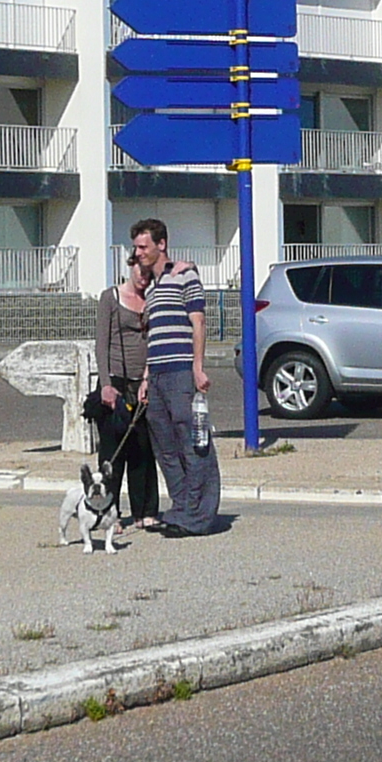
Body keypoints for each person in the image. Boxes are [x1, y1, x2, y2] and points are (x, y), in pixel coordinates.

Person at [129, 218, 219, 535]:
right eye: (136, 247)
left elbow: (199, 323)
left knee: (193, 445)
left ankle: (200, 517)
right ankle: (180, 509)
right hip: (157, 378)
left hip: (182, 373)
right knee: (165, 449)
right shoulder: (151, 290)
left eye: (143, 246)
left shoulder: (185, 275)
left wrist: (197, 367)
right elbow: (153, 338)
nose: (138, 252)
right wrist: (145, 379)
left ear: (161, 244)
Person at [89, 253, 161, 530]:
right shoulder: (111, 298)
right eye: (140, 271)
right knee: (112, 452)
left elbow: (154, 341)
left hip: (141, 381)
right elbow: (101, 344)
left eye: (148, 273)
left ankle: (145, 511)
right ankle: (109, 513)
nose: (144, 277)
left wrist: (147, 378)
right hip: (115, 380)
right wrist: (106, 384)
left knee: (142, 449)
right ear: (130, 267)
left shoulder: (153, 301)